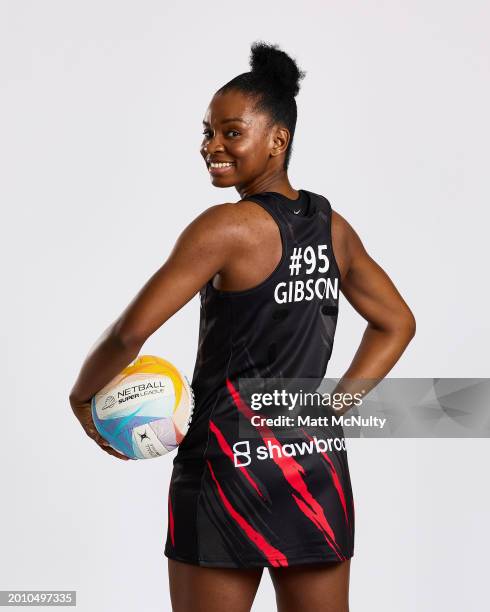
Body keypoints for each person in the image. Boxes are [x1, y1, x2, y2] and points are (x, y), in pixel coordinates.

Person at [69, 41, 416, 612]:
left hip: (227, 464)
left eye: (231, 132)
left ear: (278, 140)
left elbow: (128, 336)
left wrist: (83, 396)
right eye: (207, 132)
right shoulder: (333, 228)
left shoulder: (226, 228)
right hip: (313, 463)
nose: (211, 147)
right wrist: (331, 409)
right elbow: (396, 323)